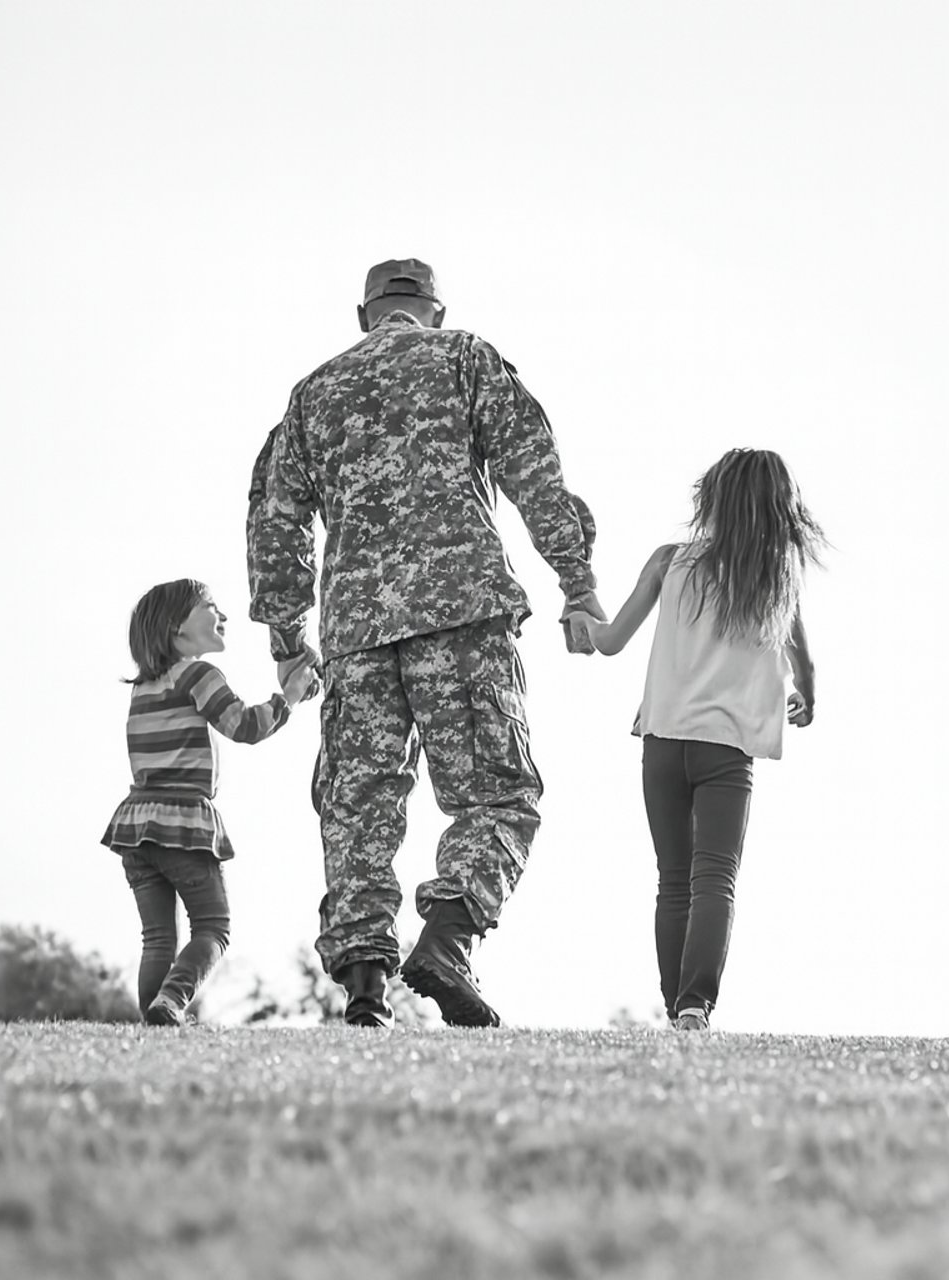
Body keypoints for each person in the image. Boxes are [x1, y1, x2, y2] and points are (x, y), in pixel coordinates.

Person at [247, 257, 603, 1029]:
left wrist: (287, 640)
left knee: (358, 807)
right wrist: (577, 583)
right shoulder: (465, 357)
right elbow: (536, 474)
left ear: (364, 315)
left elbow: (274, 520)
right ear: (435, 312)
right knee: (499, 796)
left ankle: (366, 986)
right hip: (462, 615)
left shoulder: (314, 393)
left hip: (355, 632)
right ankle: (447, 941)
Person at [566, 448, 823, 1030]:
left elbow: (606, 642)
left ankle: (674, 1004)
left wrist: (582, 616)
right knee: (714, 877)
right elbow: (801, 657)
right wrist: (806, 697)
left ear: (712, 498)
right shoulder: (774, 575)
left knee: (673, 879)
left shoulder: (668, 561)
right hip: (725, 750)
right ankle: (692, 1007)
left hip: (660, 742)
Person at [101, 579, 318, 1026]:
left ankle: (154, 1023)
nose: (223, 616)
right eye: (211, 606)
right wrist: (290, 697)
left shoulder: (143, 688)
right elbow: (245, 726)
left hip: (136, 824)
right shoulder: (197, 675)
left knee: (157, 937)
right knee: (213, 927)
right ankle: (172, 1002)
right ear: (177, 627)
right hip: (181, 823)